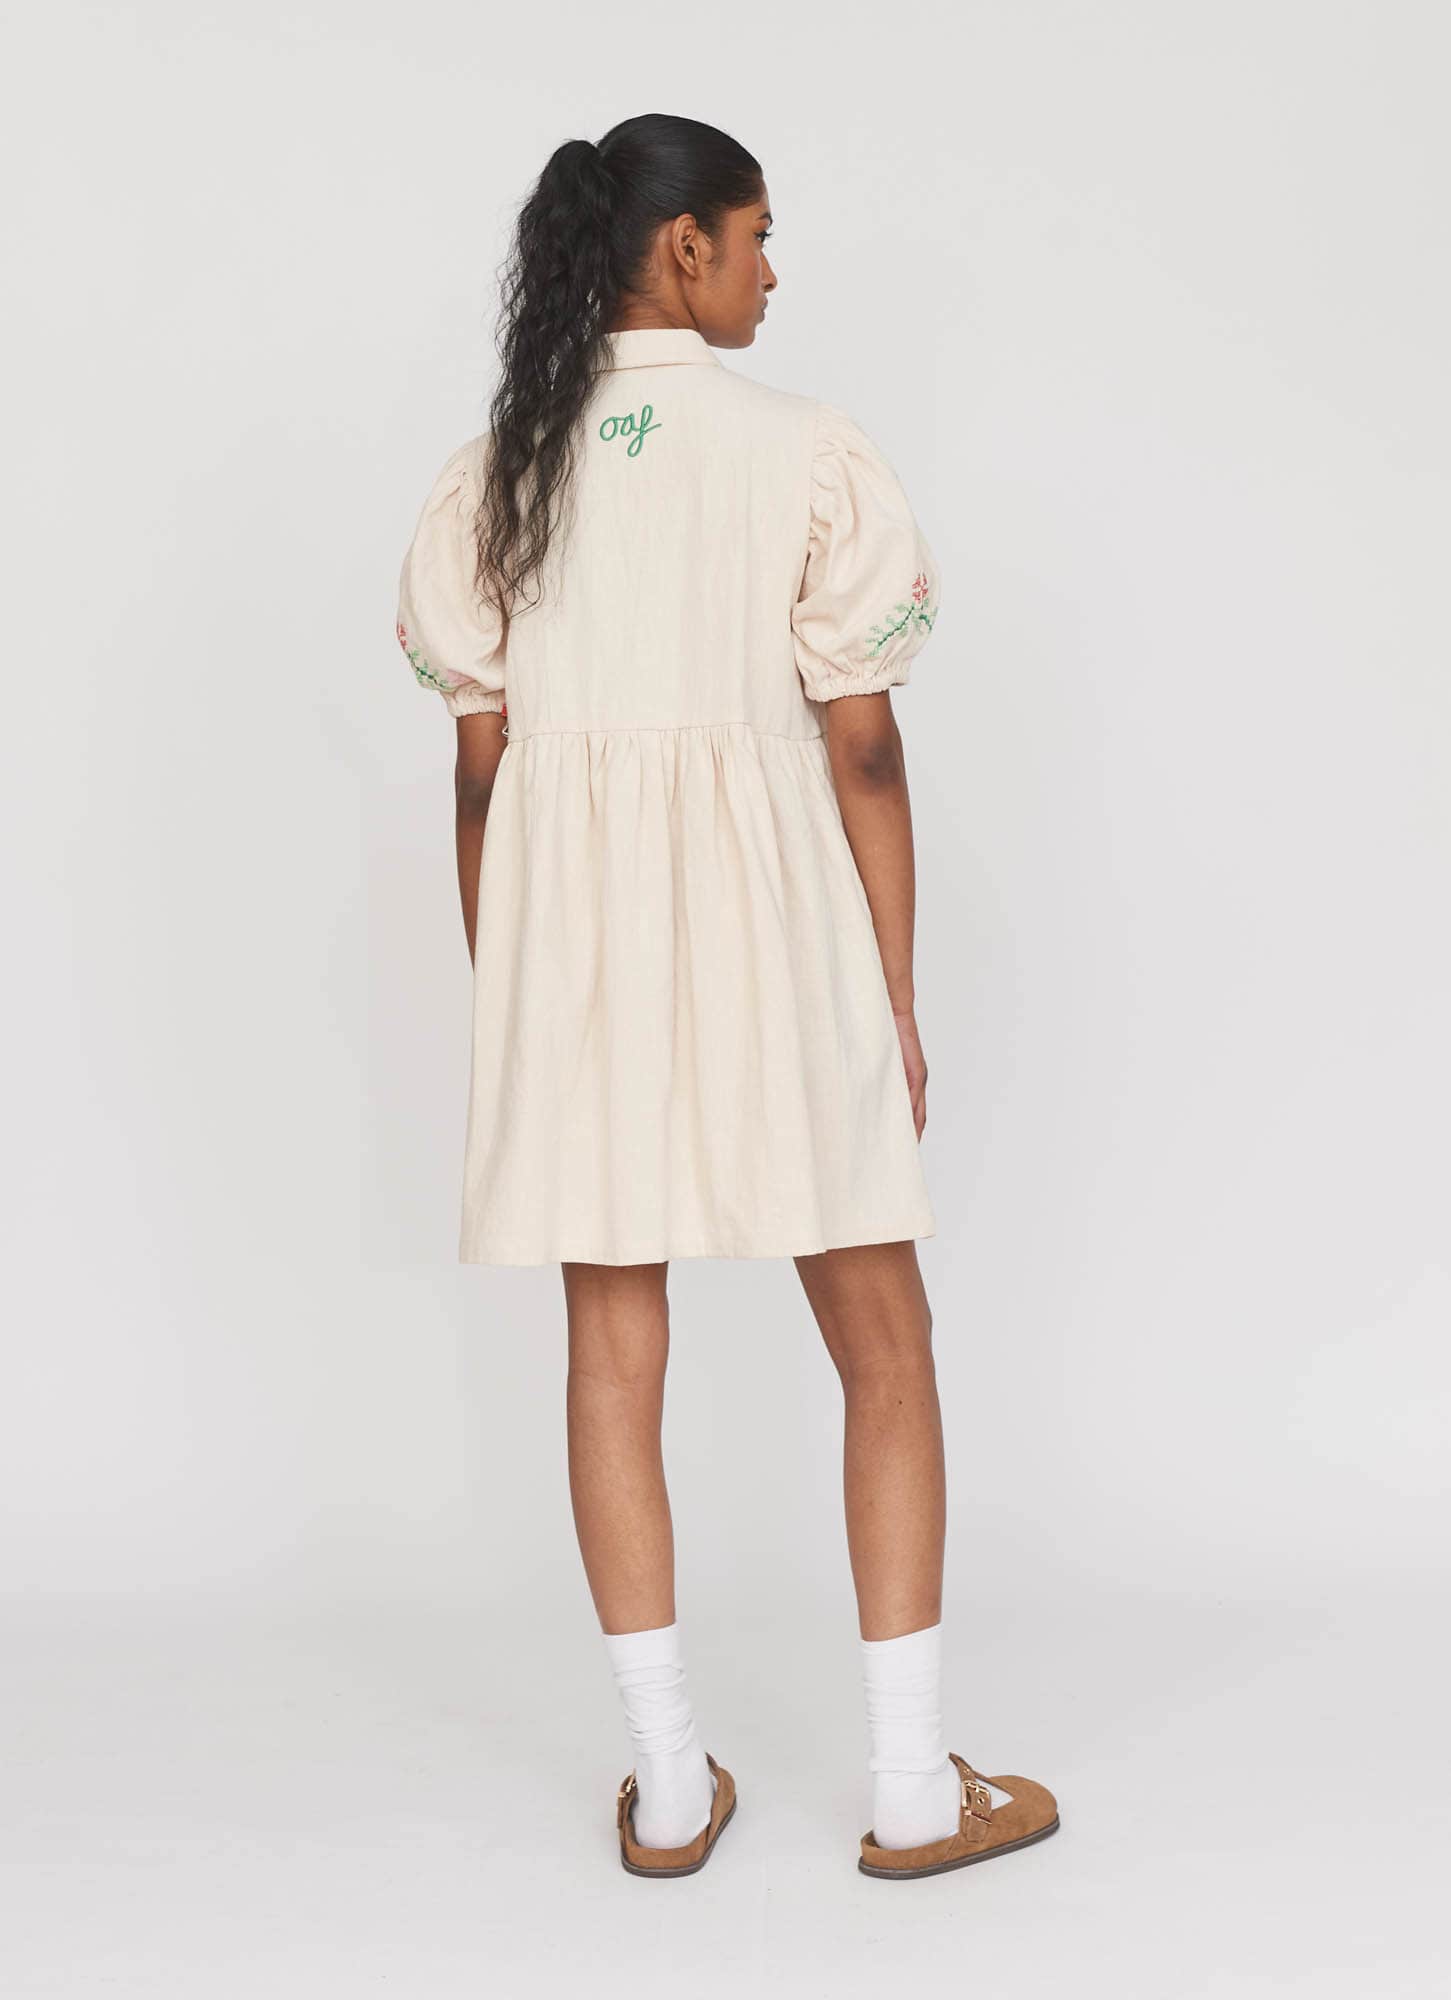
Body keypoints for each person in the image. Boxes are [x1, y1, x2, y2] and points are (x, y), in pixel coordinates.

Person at [394, 112, 1059, 1882]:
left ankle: (672, 1787)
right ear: (682, 246)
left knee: (611, 1353)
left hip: (579, 963)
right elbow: (865, 750)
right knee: (886, 1342)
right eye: (758, 235)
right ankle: (912, 1790)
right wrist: (890, 989)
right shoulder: (806, 454)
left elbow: (479, 779)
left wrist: (517, 997)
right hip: (781, 929)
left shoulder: (495, 479)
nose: (774, 269)